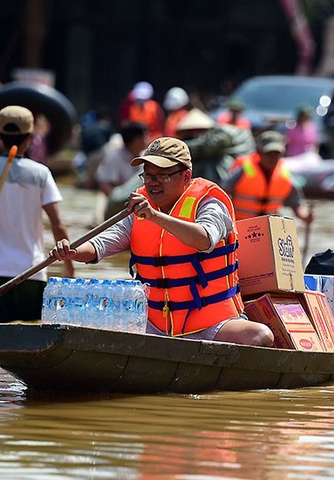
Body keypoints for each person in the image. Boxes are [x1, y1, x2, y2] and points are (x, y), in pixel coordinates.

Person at [50, 137, 274, 346]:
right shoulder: (140, 208)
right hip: (155, 325)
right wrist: (73, 251)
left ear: (185, 176)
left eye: (162, 175)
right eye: (148, 176)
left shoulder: (210, 203)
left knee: (260, 336)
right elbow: (102, 244)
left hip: (213, 323)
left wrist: (155, 216)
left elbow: (205, 239)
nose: (153, 183)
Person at [0, 105, 74, 322]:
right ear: (30, 137)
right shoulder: (42, 173)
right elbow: (58, 224)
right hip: (32, 273)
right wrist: (70, 268)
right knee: (30, 336)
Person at [222, 130, 313, 224]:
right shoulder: (244, 168)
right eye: (268, 154)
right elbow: (224, 192)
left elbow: (296, 203)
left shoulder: (284, 174)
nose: (272, 158)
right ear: (259, 153)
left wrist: (305, 216)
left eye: (276, 155)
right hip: (241, 225)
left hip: (269, 227)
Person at [176, 108, 255, 183]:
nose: (196, 134)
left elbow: (208, 147)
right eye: (191, 131)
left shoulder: (219, 136)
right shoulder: (188, 146)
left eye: (199, 130)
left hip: (231, 178)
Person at [92, 121, 148, 223]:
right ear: (136, 140)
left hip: (141, 201)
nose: (147, 140)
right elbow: (105, 185)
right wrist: (120, 202)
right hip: (120, 203)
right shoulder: (115, 157)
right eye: (144, 137)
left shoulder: (146, 156)